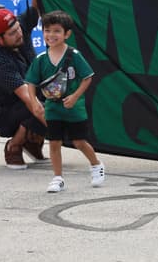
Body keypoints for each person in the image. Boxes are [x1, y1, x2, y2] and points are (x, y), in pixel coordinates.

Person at [25, 10, 104, 192]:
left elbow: (87, 77)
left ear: (66, 34)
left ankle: (96, 165)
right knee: (54, 142)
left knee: (79, 141)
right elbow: (30, 82)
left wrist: (75, 96)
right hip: (52, 108)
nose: (51, 35)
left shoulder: (74, 55)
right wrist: (35, 101)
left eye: (56, 31)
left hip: (74, 108)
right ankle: (57, 178)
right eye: (47, 30)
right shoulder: (41, 59)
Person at [0, 0, 48, 170]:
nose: (19, 34)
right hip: (5, 113)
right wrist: (60, 128)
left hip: (28, 98)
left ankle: (33, 142)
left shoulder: (19, 28)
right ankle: (14, 146)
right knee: (41, 105)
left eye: (18, 29)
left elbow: (35, 7)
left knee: (57, 92)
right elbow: (28, 99)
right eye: (12, 34)